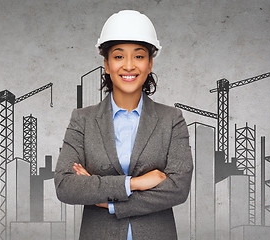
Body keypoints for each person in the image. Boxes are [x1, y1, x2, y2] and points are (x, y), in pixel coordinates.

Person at [54, 10, 193, 240]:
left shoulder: (171, 119)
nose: (129, 66)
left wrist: (109, 203)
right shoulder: (83, 120)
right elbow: (65, 185)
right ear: (107, 65)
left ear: (149, 64)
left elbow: (178, 189)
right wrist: (135, 183)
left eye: (138, 56)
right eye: (119, 56)